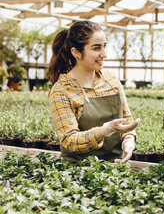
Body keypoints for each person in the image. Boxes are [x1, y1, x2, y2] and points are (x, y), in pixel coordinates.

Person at [48, 20, 140, 163]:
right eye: (96, 48)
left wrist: (128, 140)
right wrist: (103, 131)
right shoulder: (62, 90)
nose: (104, 54)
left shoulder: (111, 80)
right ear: (76, 52)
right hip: (77, 175)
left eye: (104, 46)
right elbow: (69, 140)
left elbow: (127, 120)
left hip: (116, 171)